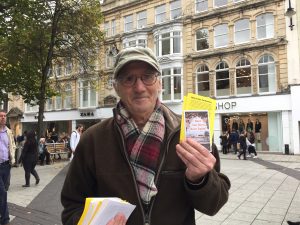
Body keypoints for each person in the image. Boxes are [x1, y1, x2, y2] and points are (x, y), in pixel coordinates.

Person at [61, 47, 230, 225]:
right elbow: (72, 206)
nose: (139, 87)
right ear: (116, 87)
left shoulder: (189, 133)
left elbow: (214, 205)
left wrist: (200, 180)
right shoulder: (93, 140)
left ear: (160, 84)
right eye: (128, 79)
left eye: (147, 76)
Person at [0, 110, 16, 225]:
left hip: (6, 165)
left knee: (3, 191)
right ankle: (5, 219)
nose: (3, 118)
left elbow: (12, 145)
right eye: (1, 116)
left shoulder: (9, 132)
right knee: (3, 193)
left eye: (4, 116)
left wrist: (12, 159)